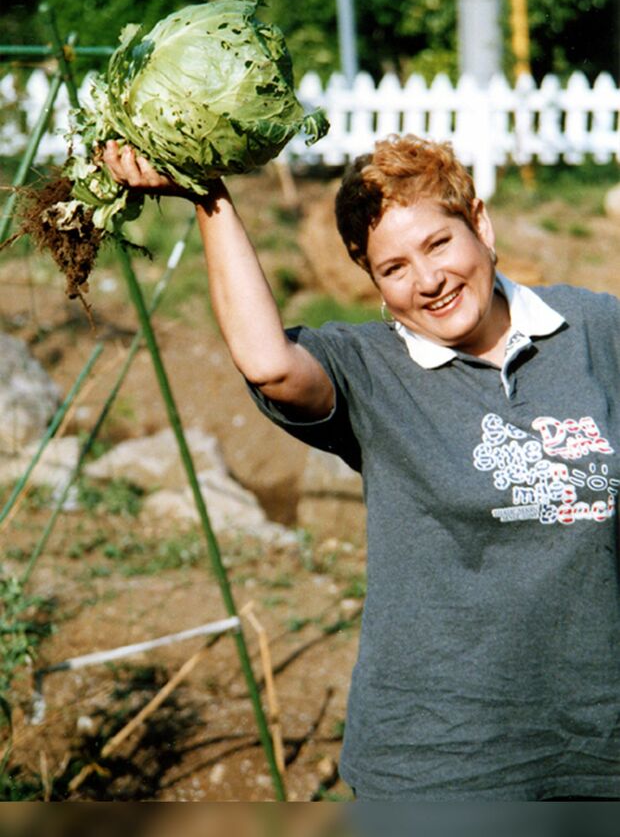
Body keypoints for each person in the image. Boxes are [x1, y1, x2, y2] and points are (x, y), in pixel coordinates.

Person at [103, 134, 620, 801]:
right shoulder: (371, 370)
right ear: (369, 277)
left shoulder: (593, 328)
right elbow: (268, 361)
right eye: (394, 267)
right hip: (442, 766)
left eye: (439, 244)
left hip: (598, 752)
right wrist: (209, 197)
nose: (428, 280)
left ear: (480, 224)